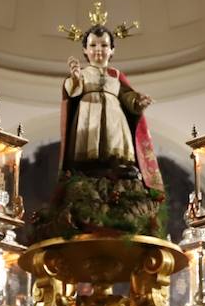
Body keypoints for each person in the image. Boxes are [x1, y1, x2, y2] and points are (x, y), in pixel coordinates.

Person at [58, 24, 162, 191]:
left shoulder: (116, 75)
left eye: (104, 45)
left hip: (115, 120)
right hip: (88, 118)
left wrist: (137, 101)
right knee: (88, 154)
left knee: (116, 153)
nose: (98, 49)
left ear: (112, 50)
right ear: (85, 50)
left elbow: (127, 96)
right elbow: (72, 92)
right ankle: (90, 174)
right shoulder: (83, 73)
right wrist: (76, 77)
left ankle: (117, 173)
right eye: (93, 45)